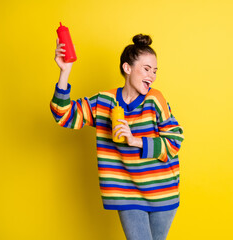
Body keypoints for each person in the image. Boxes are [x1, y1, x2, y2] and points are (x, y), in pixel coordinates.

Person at [50, 34, 184, 240]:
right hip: (127, 193)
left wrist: (135, 140)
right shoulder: (104, 101)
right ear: (127, 68)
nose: (152, 76)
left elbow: (174, 142)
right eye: (146, 69)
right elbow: (64, 115)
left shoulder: (155, 99)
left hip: (162, 191)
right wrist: (65, 72)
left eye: (155, 71)